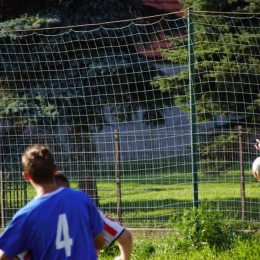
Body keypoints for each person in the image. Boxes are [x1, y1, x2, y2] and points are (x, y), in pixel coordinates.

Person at [0, 144, 104, 260]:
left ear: (26, 176)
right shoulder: (81, 198)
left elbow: (3, 255)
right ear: (55, 169)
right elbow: (99, 242)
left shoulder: (26, 215)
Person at [15, 172, 133, 260]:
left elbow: (11, 254)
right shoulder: (84, 209)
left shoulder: (32, 216)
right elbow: (125, 237)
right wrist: (123, 257)